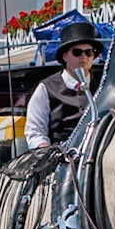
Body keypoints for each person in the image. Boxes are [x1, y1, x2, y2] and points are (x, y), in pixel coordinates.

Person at [24, 19, 100, 149]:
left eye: (89, 52)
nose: (84, 57)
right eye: (77, 52)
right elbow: (35, 132)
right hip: (61, 158)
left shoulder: (103, 86)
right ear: (65, 55)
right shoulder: (46, 89)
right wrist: (49, 155)